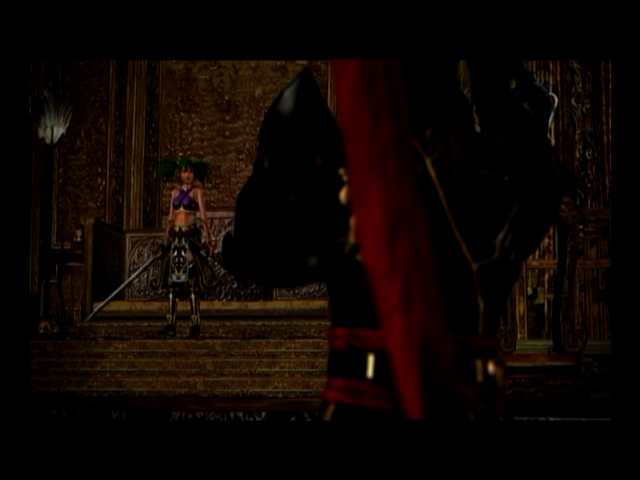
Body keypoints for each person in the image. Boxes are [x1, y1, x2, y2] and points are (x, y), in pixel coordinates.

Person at [160, 158, 212, 339]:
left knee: (192, 283)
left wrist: (208, 237)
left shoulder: (198, 192)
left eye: (190, 171)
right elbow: (170, 218)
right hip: (175, 239)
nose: (187, 175)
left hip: (189, 239)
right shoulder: (174, 193)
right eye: (184, 171)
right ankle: (171, 324)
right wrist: (165, 239)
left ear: (194, 173)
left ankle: (195, 325)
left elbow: (203, 217)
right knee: (172, 285)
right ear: (180, 174)